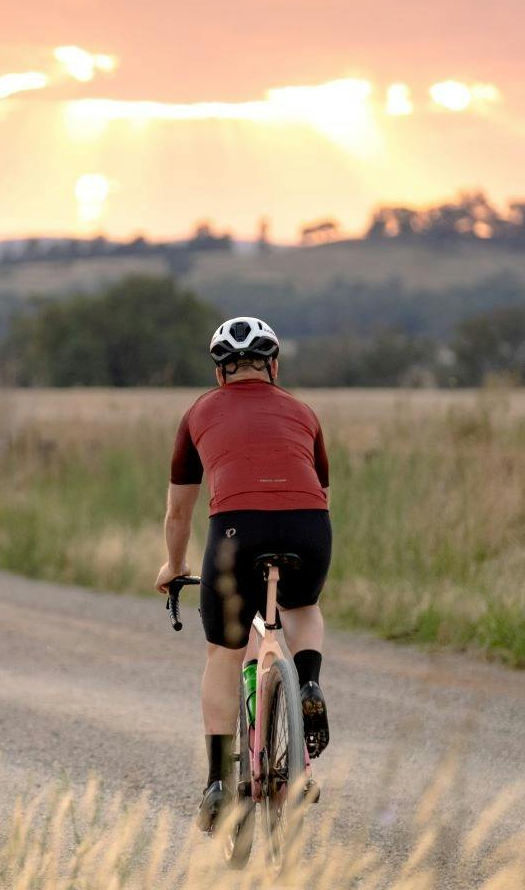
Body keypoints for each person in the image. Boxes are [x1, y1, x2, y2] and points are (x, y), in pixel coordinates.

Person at [155, 316, 332, 833]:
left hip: (236, 532)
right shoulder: (303, 411)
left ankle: (217, 783)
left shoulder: (197, 414)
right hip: (309, 526)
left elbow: (179, 515)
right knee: (302, 606)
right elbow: (318, 483)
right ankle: (309, 684)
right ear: (273, 366)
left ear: (220, 373)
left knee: (224, 652)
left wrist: (176, 566)